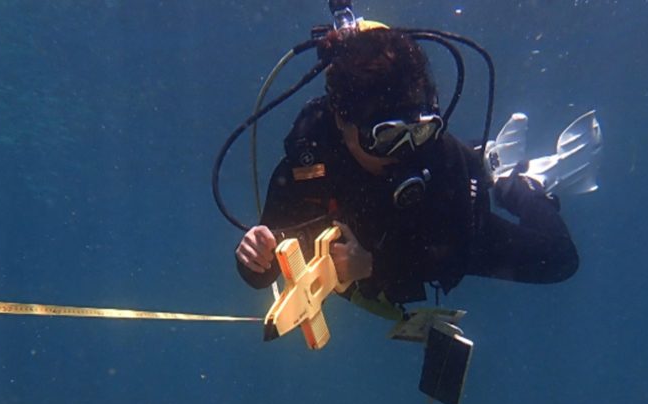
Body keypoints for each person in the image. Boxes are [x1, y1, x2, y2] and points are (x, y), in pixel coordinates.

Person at [234, 27, 579, 316]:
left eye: (419, 129)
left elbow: (454, 249)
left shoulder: (432, 153)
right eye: (385, 137)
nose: (404, 152)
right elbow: (266, 272)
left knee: (557, 259)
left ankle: (514, 182)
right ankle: (482, 154)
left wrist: (375, 264)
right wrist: (255, 256)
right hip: (379, 247)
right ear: (341, 120)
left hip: (442, 216)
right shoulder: (310, 159)